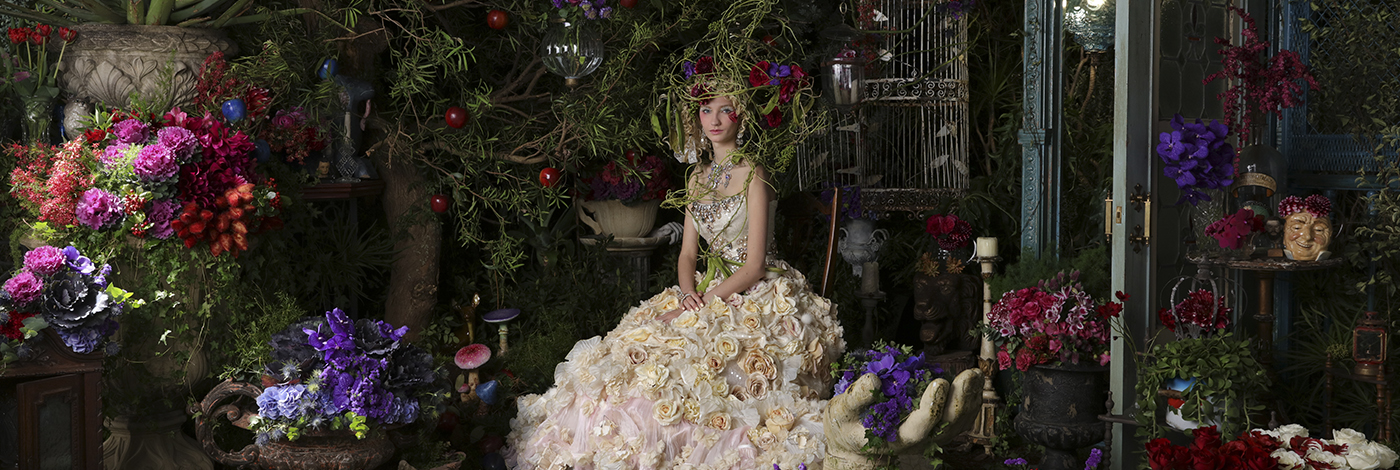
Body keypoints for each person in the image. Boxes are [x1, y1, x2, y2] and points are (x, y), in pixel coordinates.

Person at [504, 57, 846, 470]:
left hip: (757, 288)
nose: (714, 120)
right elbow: (687, 254)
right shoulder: (696, 178)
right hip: (703, 287)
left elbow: (755, 265)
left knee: (704, 369)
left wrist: (705, 303)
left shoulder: (755, 174)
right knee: (640, 352)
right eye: (706, 109)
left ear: (741, 115)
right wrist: (687, 295)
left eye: (725, 109)